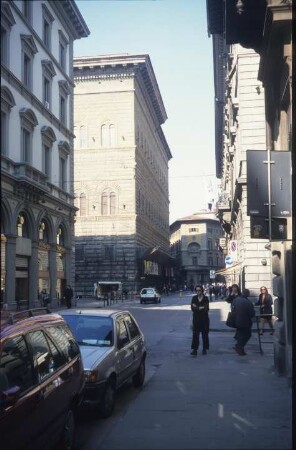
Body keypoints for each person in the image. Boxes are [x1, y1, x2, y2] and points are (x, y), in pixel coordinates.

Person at [232, 291, 255, 356]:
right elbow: (251, 314)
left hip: (237, 321)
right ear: (247, 294)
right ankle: (239, 346)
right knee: (248, 334)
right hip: (245, 322)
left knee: (240, 334)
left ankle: (240, 349)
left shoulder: (236, 300)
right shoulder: (248, 302)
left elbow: (233, 310)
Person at [190, 285, 210, 356]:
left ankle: (204, 349)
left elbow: (206, 309)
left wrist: (197, 307)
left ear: (202, 291)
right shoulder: (194, 298)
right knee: (195, 335)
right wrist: (200, 308)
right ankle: (195, 349)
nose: (198, 292)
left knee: (204, 335)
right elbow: (192, 308)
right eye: (197, 290)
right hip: (196, 320)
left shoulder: (205, 298)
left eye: (199, 290)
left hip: (204, 320)